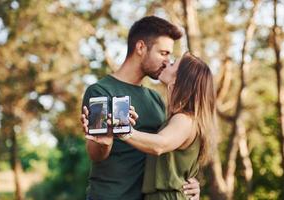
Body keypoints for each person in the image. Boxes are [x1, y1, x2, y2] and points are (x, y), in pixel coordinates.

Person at [81, 16, 200, 200]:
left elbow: (168, 147)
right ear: (141, 47)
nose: (168, 62)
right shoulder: (100, 91)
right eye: (163, 53)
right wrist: (104, 142)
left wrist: (188, 182)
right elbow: (95, 154)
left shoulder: (156, 99)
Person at [119, 52, 217, 199]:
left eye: (172, 64)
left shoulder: (184, 119)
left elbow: (160, 145)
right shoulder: (181, 118)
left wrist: (123, 130)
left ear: (180, 79)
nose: (166, 63)